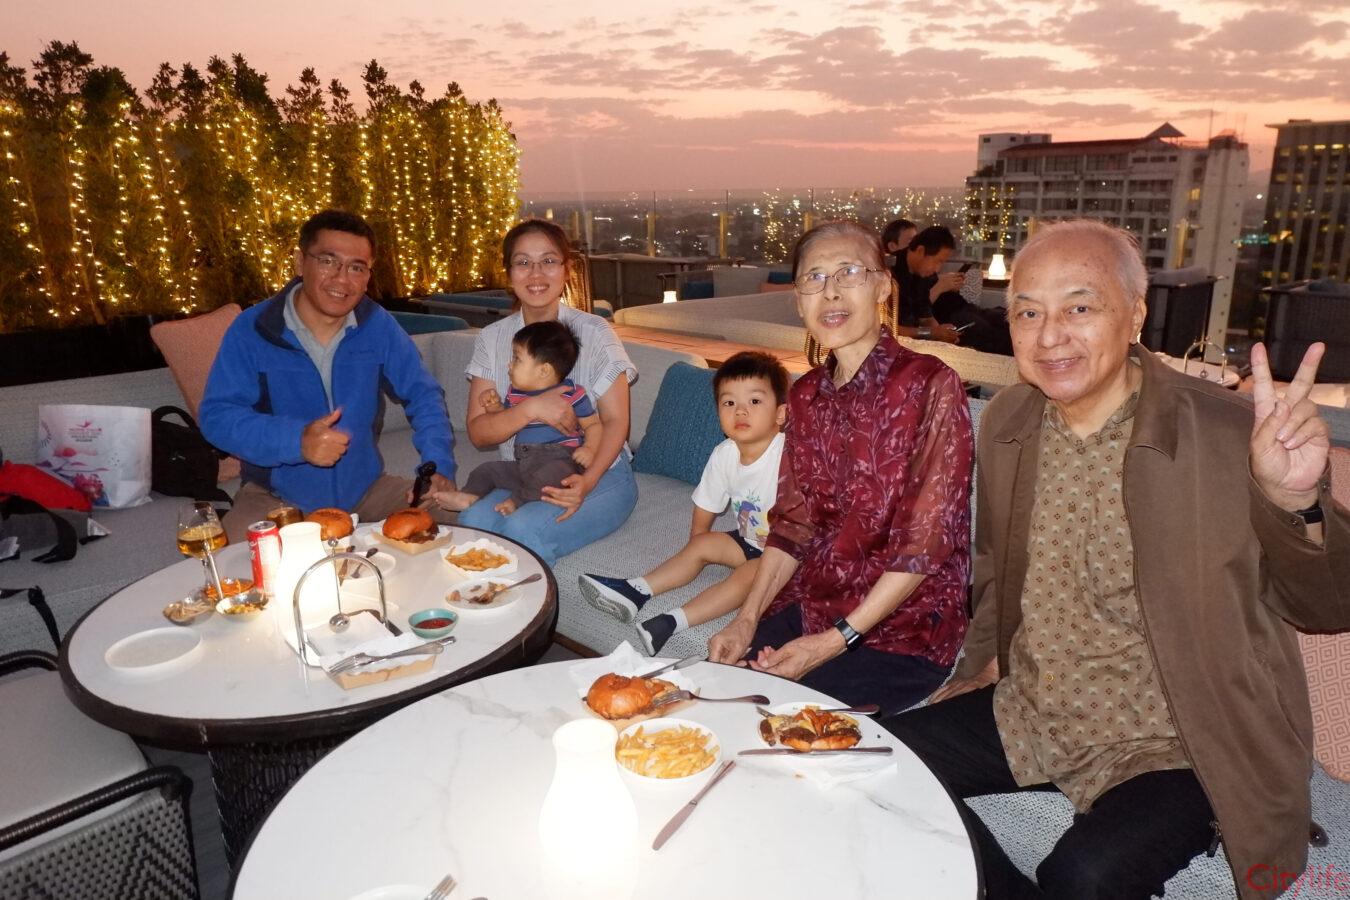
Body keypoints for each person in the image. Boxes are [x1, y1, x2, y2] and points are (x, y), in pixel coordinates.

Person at [885, 219, 1350, 900]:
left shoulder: (1230, 433)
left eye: (1079, 307)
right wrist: (981, 665)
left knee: (1085, 875)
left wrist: (1296, 502)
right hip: (1036, 707)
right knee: (873, 766)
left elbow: (1329, 605)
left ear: (1134, 315)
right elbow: (995, 570)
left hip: (1180, 738)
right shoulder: (1009, 421)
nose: (1050, 336)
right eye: (1028, 313)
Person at [706, 220, 974, 715]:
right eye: (814, 278)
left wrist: (833, 642)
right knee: (718, 695)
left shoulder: (930, 384)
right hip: (816, 600)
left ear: (882, 286)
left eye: (849, 272)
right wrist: (746, 618)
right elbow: (793, 525)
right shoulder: (805, 396)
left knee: (784, 725)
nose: (830, 291)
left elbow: (925, 545)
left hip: (904, 630)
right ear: (798, 299)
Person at [200, 209, 456, 542]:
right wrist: (296, 441)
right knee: (241, 559)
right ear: (299, 262)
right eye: (328, 261)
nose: (342, 279)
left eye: (356, 267)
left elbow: (423, 396)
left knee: (460, 518)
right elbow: (217, 417)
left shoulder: (377, 326)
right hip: (277, 500)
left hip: (365, 492)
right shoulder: (254, 329)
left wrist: (437, 467)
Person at [579, 351, 790, 655]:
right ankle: (635, 590)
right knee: (703, 543)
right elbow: (706, 504)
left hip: (787, 559)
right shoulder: (724, 453)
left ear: (780, 414)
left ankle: (670, 622)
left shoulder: (789, 454)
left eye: (755, 401)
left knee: (749, 575)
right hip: (750, 541)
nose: (741, 411)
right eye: (729, 403)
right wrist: (697, 549)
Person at [459, 219, 636, 566]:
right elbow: (479, 433)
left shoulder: (594, 332)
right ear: (509, 272)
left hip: (601, 472)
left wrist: (588, 482)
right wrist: (531, 409)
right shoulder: (492, 339)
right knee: (472, 521)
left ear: (566, 270)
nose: (536, 273)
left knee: (524, 530)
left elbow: (616, 421)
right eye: (523, 262)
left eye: (549, 261)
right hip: (525, 471)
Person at [431, 320, 601, 516]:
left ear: (544, 370)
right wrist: (494, 408)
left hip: (561, 460)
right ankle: (469, 495)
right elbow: (506, 420)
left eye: (517, 359)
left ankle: (517, 500)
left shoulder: (571, 393)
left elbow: (594, 425)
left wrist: (590, 448)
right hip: (523, 464)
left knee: (552, 476)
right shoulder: (516, 395)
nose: (509, 365)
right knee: (487, 470)